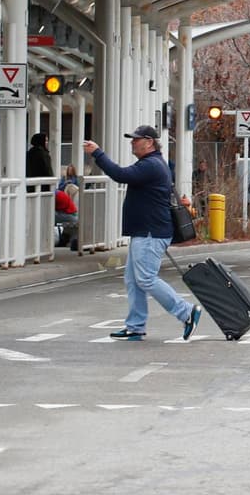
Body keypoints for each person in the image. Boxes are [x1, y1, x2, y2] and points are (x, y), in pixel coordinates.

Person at [82, 126, 201, 342]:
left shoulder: (151, 166)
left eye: (135, 140)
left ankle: (186, 312)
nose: (132, 143)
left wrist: (98, 153)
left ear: (149, 142)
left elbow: (120, 175)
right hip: (147, 231)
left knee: (145, 278)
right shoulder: (151, 164)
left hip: (151, 232)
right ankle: (135, 326)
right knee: (133, 280)